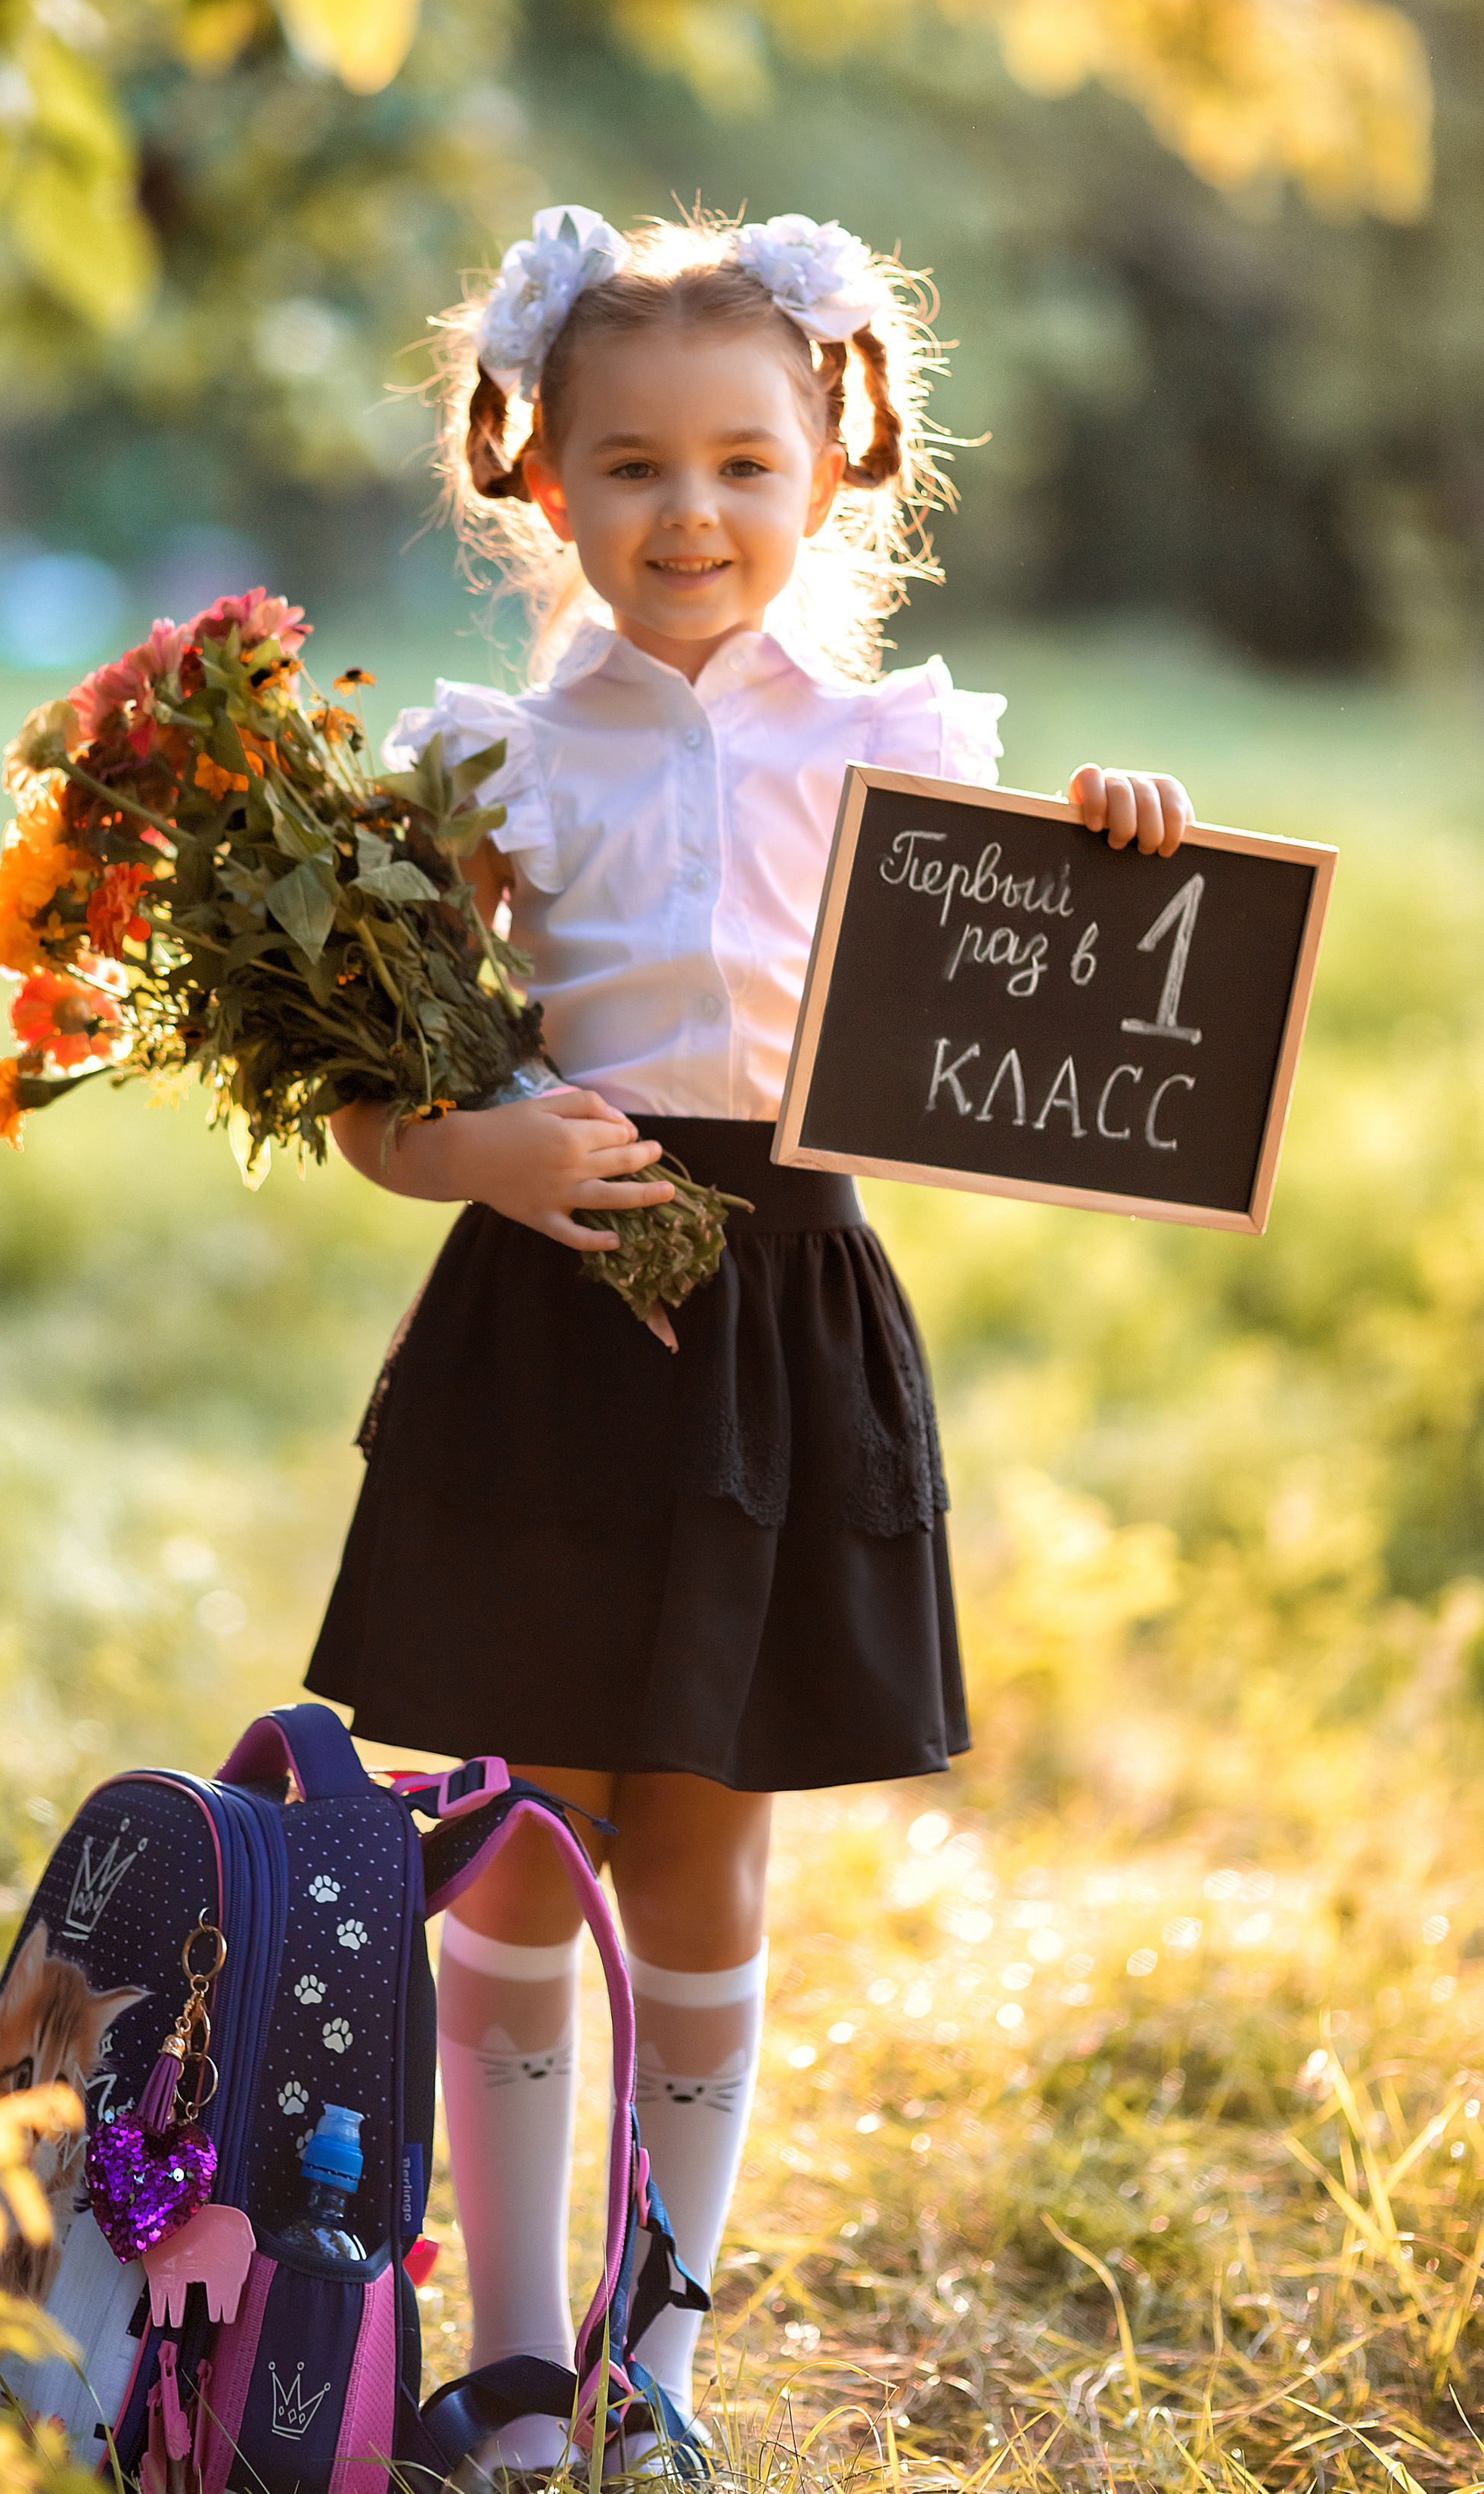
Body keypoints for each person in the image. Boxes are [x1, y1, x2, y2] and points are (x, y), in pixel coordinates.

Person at [304, 208, 1191, 2472]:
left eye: (738, 466)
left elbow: (1035, 997)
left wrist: (1116, 847)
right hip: (547, 1327)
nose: (685, 515)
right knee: (517, 1838)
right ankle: (509, 2359)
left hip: (774, 1334)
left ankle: (655, 2366)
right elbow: (373, 1102)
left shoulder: (903, 745)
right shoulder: (490, 767)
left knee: (700, 1840)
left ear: (831, 469)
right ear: (536, 473)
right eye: (627, 467)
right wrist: (482, 1153)